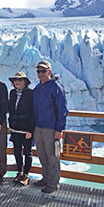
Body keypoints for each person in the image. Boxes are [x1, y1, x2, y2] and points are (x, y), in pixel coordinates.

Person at [33, 60, 68, 194]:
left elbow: (62, 109)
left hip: (50, 128)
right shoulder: (38, 88)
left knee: (52, 156)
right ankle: (46, 178)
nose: (40, 73)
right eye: (38, 71)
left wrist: (59, 129)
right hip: (39, 127)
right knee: (42, 155)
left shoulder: (56, 87)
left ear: (49, 71)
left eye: (43, 71)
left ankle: (53, 183)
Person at [7, 72, 34, 186]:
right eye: (16, 80)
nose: (17, 82)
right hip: (15, 128)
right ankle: (19, 172)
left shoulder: (30, 93)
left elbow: (33, 112)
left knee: (27, 152)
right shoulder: (12, 93)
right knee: (17, 151)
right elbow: (10, 109)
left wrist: (30, 130)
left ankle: (26, 174)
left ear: (25, 82)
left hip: (26, 129)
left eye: (20, 80)